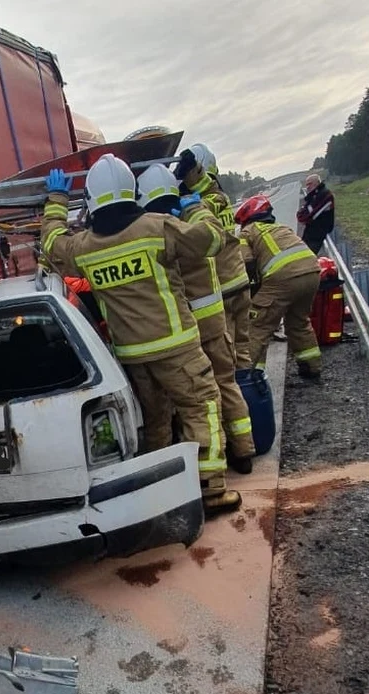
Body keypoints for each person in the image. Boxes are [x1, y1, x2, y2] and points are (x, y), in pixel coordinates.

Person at [39, 154, 241, 514]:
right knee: (201, 408)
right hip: (176, 346)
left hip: (131, 356)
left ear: (91, 198)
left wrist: (55, 201)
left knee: (156, 424)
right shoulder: (156, 228)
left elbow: (52, 244)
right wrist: (195, 206)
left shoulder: (84, 247)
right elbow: (213, 240)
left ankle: (164, 495)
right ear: (132, 193)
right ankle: (210, 491)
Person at [136, 163, 256, 473]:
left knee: (188, 404)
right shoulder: (193, 221)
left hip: (183, 333)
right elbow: (216, 221)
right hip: (214, 323)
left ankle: (190, 466)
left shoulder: (160, 230)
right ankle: (242, 452)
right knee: (225, 386)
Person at [174, 144, 254, 368]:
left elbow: (199, 207)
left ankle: (240, 397)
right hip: (239, 282)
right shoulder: (222, 198)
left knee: (227, 357)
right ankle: (252, 391)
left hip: (223, 289)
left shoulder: (206, 203)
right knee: (243, 348)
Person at [234, 194, 322, 380]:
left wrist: (252, 294)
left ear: (246, 219)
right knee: (299, 321)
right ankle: (311, 368)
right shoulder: (281, 228)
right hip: (313, 272)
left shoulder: (247, 232)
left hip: (283, 278)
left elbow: (246, 263)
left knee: (257, 325)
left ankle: (252, 377)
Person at [296, 174, 335, 254]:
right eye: (306, 184)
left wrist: (306, 213)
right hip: (310, 234)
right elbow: (301, 215)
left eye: (310, 184)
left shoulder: (325, 195)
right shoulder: (313, 196)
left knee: (307, 260)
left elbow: (308, 216)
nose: (307, 187)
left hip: (318, 235)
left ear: (317, 183)